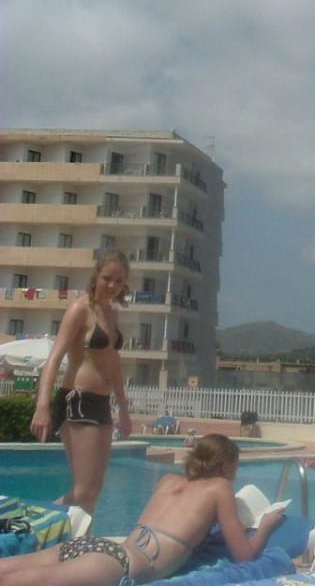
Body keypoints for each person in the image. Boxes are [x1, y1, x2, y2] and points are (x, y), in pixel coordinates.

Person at [0, 434, 284, 586]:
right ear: (225, 466)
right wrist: (266, 526)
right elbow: (244, 555)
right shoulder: (220, 487)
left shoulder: (169, 481)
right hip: (119, 565)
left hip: (95, 547)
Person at [29, 248, 134, 516]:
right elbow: (54, 358)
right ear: (96, 276)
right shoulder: (79, 309)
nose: (112, 285)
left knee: (94, 489)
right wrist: (42, 406)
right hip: (77, 400)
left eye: (119, 281)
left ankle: (79, 538)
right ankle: (36, 520)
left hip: (101, 403)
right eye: (107, 278)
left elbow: (114, 365)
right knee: (84, 489)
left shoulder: (112, 313)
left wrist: (123, 409)